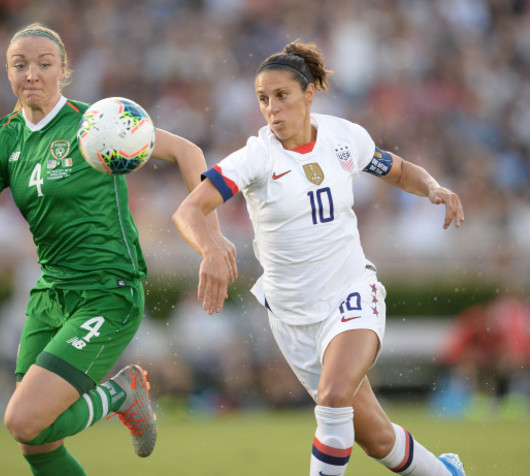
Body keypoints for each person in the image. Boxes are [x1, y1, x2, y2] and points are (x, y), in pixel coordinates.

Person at [0, 23, 235, 476]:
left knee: (23, 419)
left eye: (43, 64)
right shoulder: (1, 139)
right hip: (51, 295)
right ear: (7, 73)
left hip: (107, 292)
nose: (31, 73)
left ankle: (122, 393)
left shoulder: (98, 122)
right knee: (37, 439)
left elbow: (189, 152)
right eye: (20, 65)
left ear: (63, 71)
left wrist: (211, 241)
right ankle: (119, 396)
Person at [173, 40, 467, 476]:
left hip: (350, 292)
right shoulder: (255, 156)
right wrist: (211, 247)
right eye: (263, 99)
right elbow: (189, 210)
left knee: (332, 399)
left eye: (282, 96)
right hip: (293, 320)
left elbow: (400, 170)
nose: (271, 108)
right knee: (378, 438)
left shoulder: (344, 137)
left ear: (308, 95)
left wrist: (433, 187)